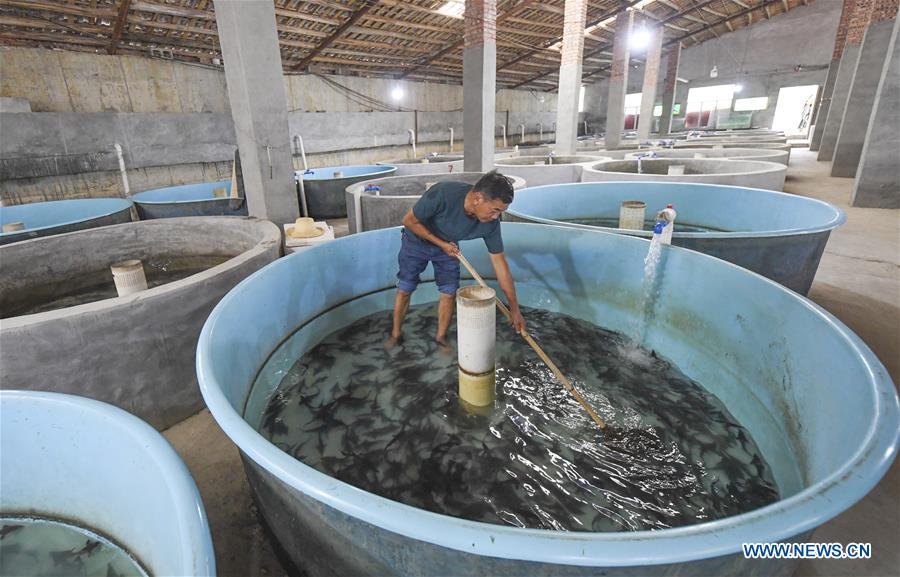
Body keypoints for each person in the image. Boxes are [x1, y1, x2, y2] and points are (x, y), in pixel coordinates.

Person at [386, 170, 525, 350]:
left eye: (501, 212)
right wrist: (441, 244)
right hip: (416, 242)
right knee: (405, 288)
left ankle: (441, 337)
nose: (496, 217)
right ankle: (396, 334)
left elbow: (500, 265)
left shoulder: (491, 225)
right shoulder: (444, 194)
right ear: (478, 198)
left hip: (449, 248)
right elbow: (409, 221)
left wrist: (515, 309)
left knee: (449, 292)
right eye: (495, 210)